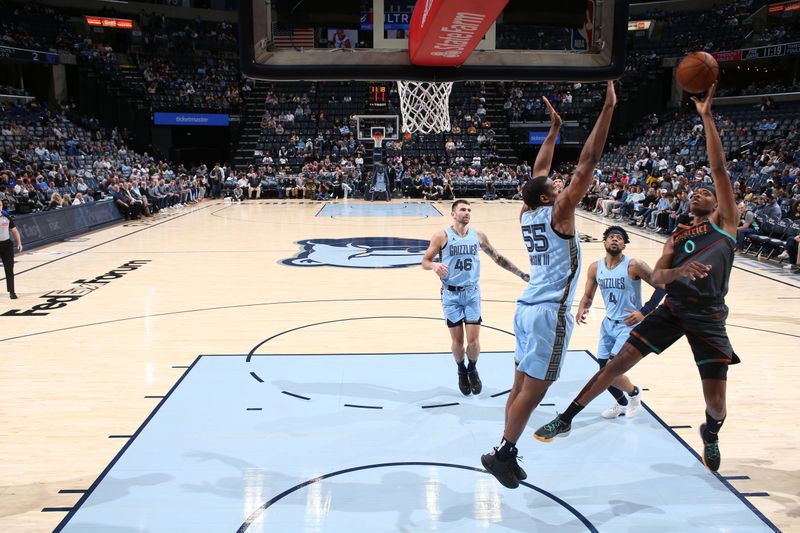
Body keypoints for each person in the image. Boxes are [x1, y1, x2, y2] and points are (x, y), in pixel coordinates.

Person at [534, 84, 740, 474]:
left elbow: (719, 169)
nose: (698, 192)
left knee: (716, 404)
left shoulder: (726, 226)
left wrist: (707, 117)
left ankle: (711, 432)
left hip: (709, 317)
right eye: (693, 191)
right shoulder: (676, 236)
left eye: (705, 192)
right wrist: (678, 271)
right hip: (673, 310)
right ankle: (567, 417)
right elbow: (659, 277)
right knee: (613, 364)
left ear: (718, 203)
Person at [480, 82, 616, 489]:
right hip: (550, 313)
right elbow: (588, 162)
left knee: (520, 384)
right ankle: (504, 452)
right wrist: (607, 110)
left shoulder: (526, 212)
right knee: (535, 391)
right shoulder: (558, 214)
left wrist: (554, 131)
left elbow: (537, 175)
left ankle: (505, 449)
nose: (561, 187)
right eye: (557, 189)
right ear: (548, 200)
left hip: (526, 309)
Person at [422, 199, 530, 396]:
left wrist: (520, 273)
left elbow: (497, 257)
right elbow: (425, 261)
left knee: (473, 342)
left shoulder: (478, 235)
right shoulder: (441, 236)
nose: (467, 212)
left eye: (469, 209)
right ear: (453, 214)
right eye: (463, 209)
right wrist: (434, 266)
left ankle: (472, 368)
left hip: (472, 292)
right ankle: (461, 370)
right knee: (457, 342)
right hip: (450, 293)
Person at [576, 225, 666, 419]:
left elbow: (662, 287)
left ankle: (634, 393)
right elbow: (588, 295)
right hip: (608, 324)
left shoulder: (634, 265)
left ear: (624, 245)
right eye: (611, 237)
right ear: (605, 241)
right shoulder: (595, 267)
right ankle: (622, 403)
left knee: (610, 369)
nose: (615, 239)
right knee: (603, 369)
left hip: (629, 325)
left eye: (619, 238)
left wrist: (644, 312)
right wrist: (583, 307)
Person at [0, 207, 22, 299]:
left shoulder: (7, 217)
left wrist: (19, 242)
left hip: (7, 245)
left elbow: (14, 231)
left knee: (9, 269)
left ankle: (12, 291)